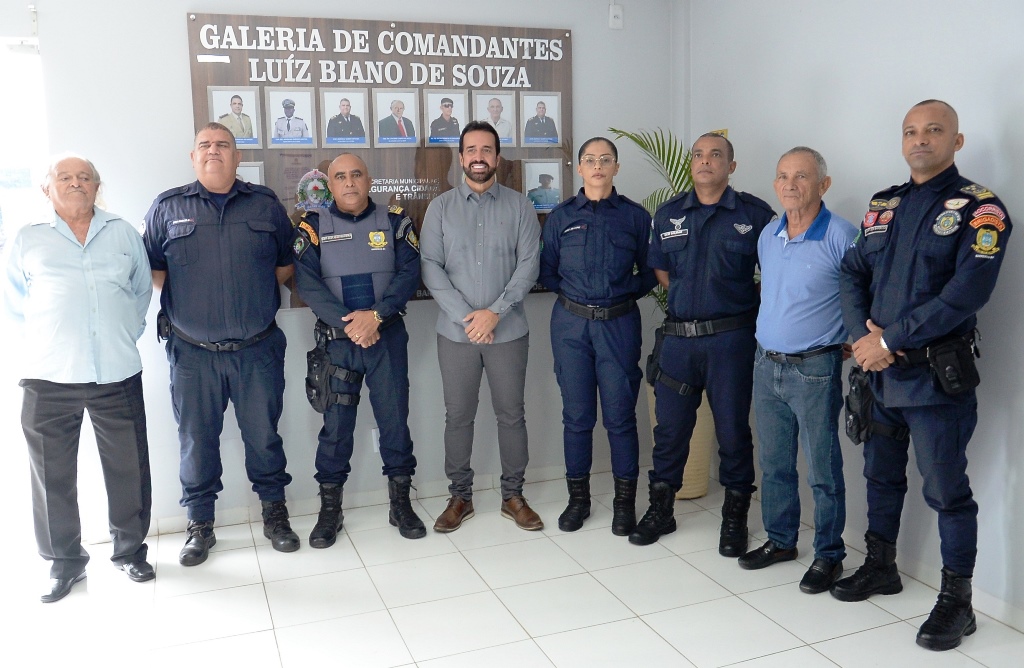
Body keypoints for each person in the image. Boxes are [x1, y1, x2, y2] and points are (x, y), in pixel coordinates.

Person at [836, 99, 1011, 651]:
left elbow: (966, 294)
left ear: (956, 141)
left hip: (936, 380)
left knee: (946, 492)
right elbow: (852, 271)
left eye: (934, 131)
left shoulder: (981, 210)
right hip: (880, 377)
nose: (920, 140)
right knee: (880, 476)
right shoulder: (883, 204)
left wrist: (888, 339)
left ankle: (957, 603)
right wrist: (863, 342)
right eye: (911, 131)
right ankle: (881, 566)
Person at [144, 122, 300, 566]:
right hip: (193, 354)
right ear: (193, 157)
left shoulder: (266, 205)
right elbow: (155, 272)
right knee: (196, 441)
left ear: (237, 157)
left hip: (257, 351)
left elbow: (284, 265)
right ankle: (200, 525)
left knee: (265, 437)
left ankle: (275, 514)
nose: (214, 151)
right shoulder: (166, 207)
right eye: (205, 145)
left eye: (223, 145)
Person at [5, 154, 154, 602]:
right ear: (47, 189)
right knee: (51, 476)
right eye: (65, 178)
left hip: (116, 371)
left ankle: (130, 551)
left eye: (84, 178)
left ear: (96, 186)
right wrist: (50, 339)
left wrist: (122, 332)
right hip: (48, 375)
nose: (76, 184)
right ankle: (64, 562)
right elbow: (12, 303)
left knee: (129, 467)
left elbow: (141, 290)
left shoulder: (122, 232)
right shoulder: (26, 239)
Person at [634, 132, 775, 548]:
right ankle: (661, 510)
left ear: (731, 166)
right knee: (670, 430)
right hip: (678, 341)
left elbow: (776, 272)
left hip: (730, 342)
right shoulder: (670, 213)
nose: (705, 161)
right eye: (698, 155)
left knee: (733, 432)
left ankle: (734, 519)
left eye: (716, 155)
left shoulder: (755, 214)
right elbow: (661, 269)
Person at [737, 147, 856, 594]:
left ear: (823, 184)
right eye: (783, 176)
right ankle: (782, 540)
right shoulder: (769, 234)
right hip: (766, 364)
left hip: (815, 369)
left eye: (801, 176)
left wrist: (850, 334)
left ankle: (829, 555)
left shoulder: (842, 236)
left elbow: (863, 291)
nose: (790, 184)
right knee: (773, 463)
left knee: (822, 468)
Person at [293, 153, 426, 543]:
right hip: (338, 344)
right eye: (340, 177)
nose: (349, 183)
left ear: (369, 180)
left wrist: (377, 316)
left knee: (394, 423)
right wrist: (352, 324)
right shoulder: (312, 226)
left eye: (356, 175)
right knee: (335, 429)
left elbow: (409, 272)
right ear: (329, 185)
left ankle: (400, 504)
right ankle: (329, 511)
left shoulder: (397, 220)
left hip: (386, 338)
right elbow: (308, 283)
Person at [420, 121, 542, 532]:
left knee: (512, 415)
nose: (478, 157)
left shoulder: (520, 206)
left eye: (486, 149)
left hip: (508, 332)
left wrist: (495, 312)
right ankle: (460, 497)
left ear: (497, 157)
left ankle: (513, 496)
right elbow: (430, 267)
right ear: (460, 157)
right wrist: (468, 318)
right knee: (458, 417)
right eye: (471, 149)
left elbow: (529, 266)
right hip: (456, 335)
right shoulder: (439, 209)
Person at [539, 137, 657, 535]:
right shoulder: (560, 217)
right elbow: (548, 271)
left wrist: (617, 299)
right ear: (579, 167)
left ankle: (625, 504)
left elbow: (649, 272)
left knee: (621, 417)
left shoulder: (636, 217)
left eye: (606, 159)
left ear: (616, 168)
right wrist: (581, 302)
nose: (597, 166)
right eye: (590, 159)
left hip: (619, 325)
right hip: (571, 326)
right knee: (577, 417)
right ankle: (579, 501)